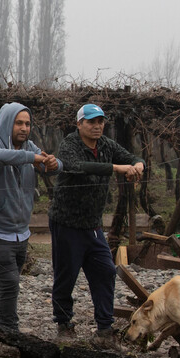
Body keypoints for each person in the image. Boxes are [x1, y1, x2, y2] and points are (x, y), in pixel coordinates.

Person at [48, 104, 144, 341]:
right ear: (79, 124)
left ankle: (104, 328)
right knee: (66, 275)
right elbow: (77, 167)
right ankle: (64, 324)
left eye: (100, 121)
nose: (97, 126)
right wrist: (115, 168)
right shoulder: (70, 144)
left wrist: (138, 164)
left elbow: (131, 157)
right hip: (67, 223)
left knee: (105, 271)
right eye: (91, 121)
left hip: (93, 225)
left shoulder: (106, 145)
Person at [0, 103, 58, 333]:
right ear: (7, 123)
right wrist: (33, 157)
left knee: (1, 283)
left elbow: (52, 166)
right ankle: (11, 332)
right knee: (10, 283)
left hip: (20, 231)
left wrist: (52, 163)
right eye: (19, 123)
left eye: (28, 124)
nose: (24, 128)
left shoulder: (29, 146)